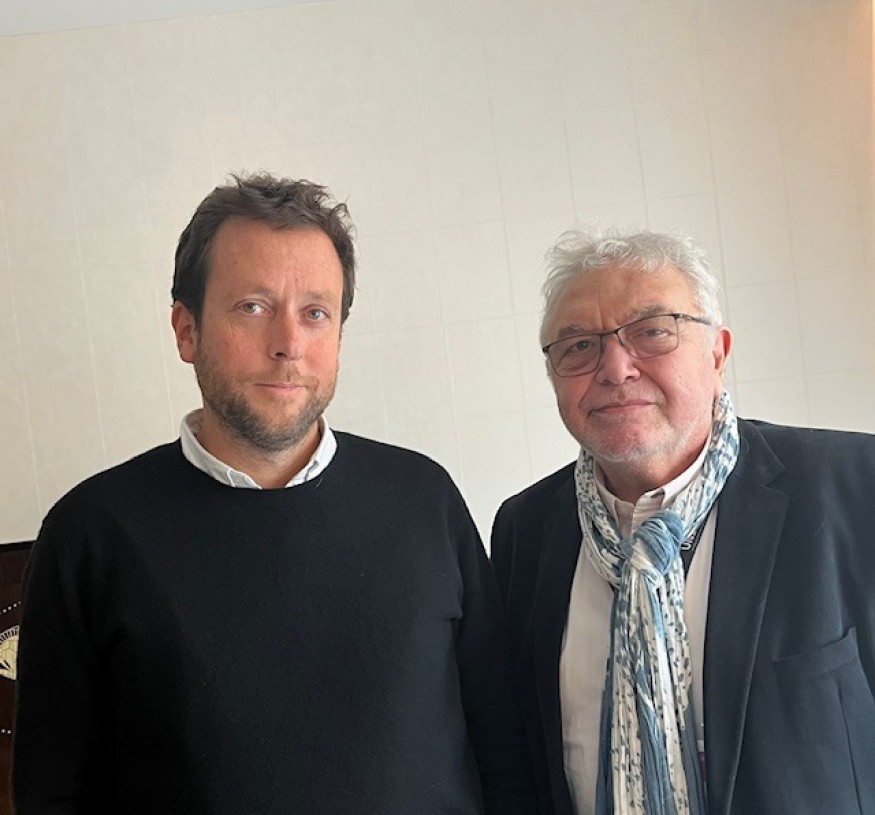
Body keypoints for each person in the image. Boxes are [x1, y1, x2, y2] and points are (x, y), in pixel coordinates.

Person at [13, 173, 536, 814]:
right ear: (186, 330)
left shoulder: (426, 500)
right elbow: (52, 793)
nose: (288, 344)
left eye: (315, 313)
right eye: (253, 307)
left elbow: (505, 751)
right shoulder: (90, 536)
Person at [491, 229, 875, 815]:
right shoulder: (524, 531)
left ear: (717, 353)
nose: (615, 368)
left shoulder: (853, 487)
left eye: (652, 331)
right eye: (579, 345)